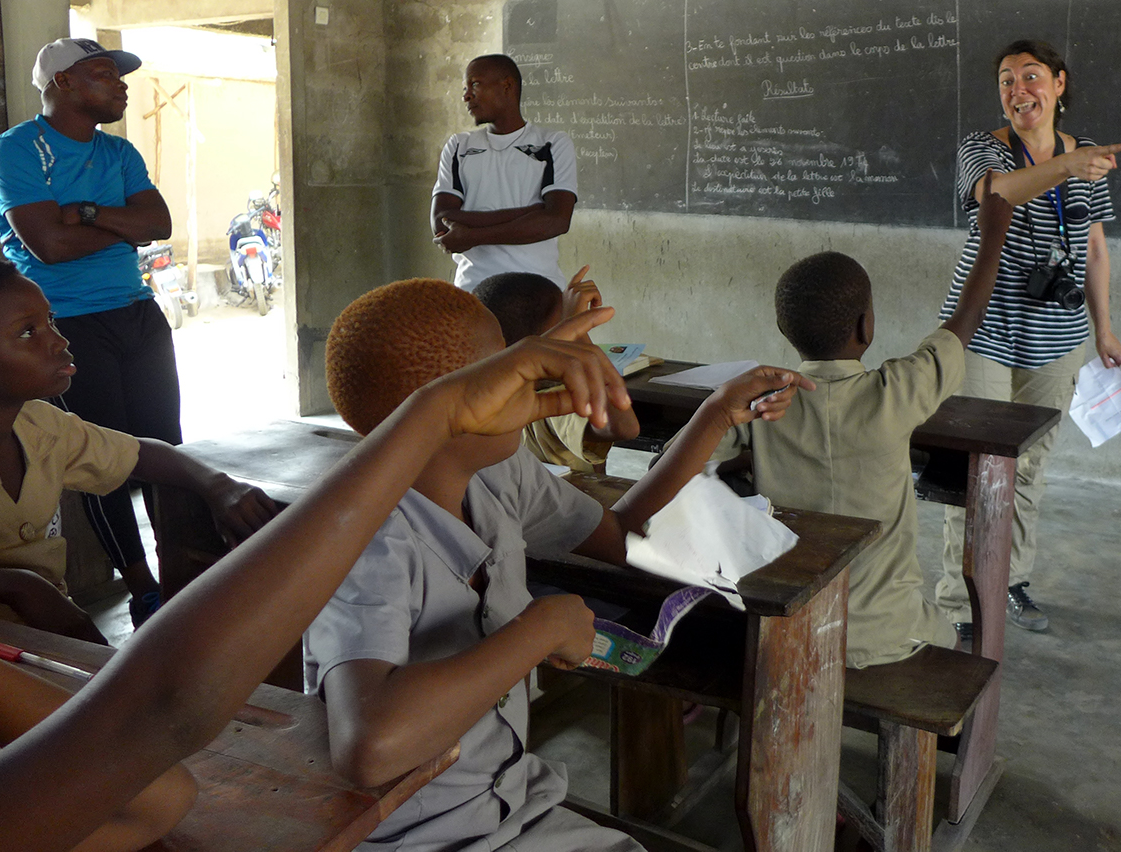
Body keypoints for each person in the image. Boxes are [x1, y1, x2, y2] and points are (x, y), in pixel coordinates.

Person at [0, 304, 636, 852]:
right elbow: (160, 721)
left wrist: (437, 412)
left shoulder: (45, 428)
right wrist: (436, 415)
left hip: (517, 806)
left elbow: (154, 722)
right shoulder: (385, 544)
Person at [304, 277, 808, 852]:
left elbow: (623, 534)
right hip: (417, 839)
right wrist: (540, 629)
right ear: (450, 403)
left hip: (513, 808)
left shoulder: (498, 473)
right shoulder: (363, 536)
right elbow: (368, 744)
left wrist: (716, 414)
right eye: (508, 368)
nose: (532, 380)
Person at [699, 194, 1013, 668]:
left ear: (784, 329)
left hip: (789, 626)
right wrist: (991, 236)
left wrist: (745, 465)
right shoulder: (899, 390)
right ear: (866, 325)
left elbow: (686, 465)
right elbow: (963, 323)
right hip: (889, 630)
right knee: (952, 641)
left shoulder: (762, 404)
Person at [0, 256, 277, 643]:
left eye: (50, 321)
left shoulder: (42, 426)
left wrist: (219, 485)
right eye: (28, 333)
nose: (60, 341)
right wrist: (21, 588)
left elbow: (140, 453)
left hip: (39, 639)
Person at [936, 39, 1121, 635]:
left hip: (1058, 334)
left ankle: (1010, 581)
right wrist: (1065, 167)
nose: (1018, 89)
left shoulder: (1086, 156)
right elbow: (995, 194)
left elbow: (1095, 246)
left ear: (1059, 84)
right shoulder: (981, 148)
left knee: (1027, 465)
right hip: (985, 330)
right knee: (970, 466)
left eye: (1031, 76)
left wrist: (1104, 329)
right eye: (1005, 80)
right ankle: (958, 601)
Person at [0, 38, 178, 626]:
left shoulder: (118, 153)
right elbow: (50, 245)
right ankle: (143, 586)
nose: (120, 85)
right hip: (65, 324)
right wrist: (122, 226)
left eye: (118, 77)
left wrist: (87, 213)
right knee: (102, 461)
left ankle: (181, 575)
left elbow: (160, 223)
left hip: (137, 313)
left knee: (164, 446)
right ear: (61, 83)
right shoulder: (16, 151)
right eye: (103, 74)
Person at [431, 53, 578, 292]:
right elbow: (442, 221)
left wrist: (475, 235)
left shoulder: (552, 144)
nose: (466, 95)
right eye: (466, 87)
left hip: (537, 291)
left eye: (475, 84)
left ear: (507, 85)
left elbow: (557, 221)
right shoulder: (459, 146)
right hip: (472, 291)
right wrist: (532, 213)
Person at [475, 264, 641, 472]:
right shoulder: (545, 403)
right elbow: (626, 427)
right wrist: (578, 328)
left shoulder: (486, 397)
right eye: (565, 329)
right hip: (571, 502)